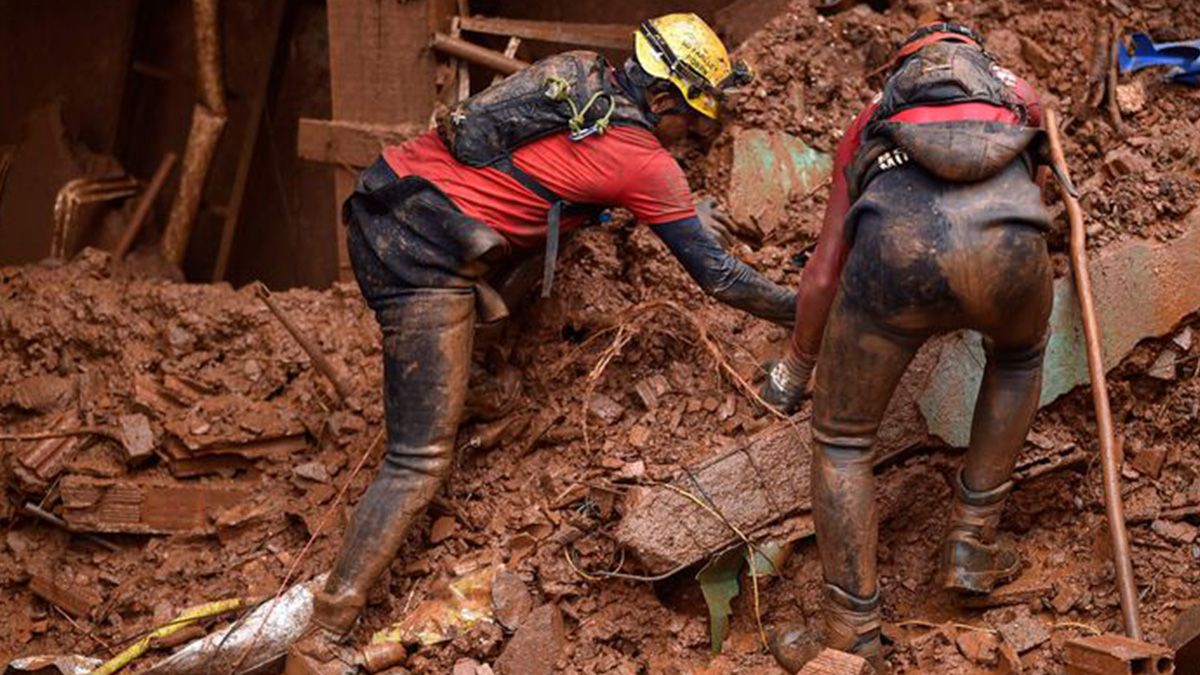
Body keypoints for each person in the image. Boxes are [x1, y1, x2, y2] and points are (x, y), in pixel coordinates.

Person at [289, 13, 797, 667]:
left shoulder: (581, 85)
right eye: (692, 122)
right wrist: (809, 309)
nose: (693, 139)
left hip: (387, 198)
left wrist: (676, 207)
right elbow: (721, 278)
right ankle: (327, 627)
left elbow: (564, 182)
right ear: (664, 99)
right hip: (418, 258)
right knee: (418, 457)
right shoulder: (646, 161)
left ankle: (474, 375)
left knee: (559, 235)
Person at [760, 23, 1051, 670]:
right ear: (978, 57)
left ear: (899, 70)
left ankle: (850, 634)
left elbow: (825, 272)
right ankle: (973, 546)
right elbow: (1049, 186)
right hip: (1011, 250)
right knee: (1019, 356)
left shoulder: (873, 117)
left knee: (842, 440)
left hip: (896, 255)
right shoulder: (1019, 96)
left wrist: (795, 366)